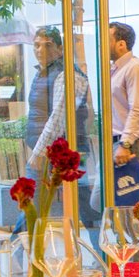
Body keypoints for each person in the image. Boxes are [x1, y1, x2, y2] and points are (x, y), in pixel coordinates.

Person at [23, 26, 99, 228]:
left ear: (60, 48)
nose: (40, 50)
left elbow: (58, 118)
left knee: (33, 207)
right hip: (51, 150)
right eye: (37, 45)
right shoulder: (44, 73)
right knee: (36, 207)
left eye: (47, 45)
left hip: (63, 151)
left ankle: (18, 250)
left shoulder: (66, 75)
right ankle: (23, 251)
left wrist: (39, 152)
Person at [106, 21, 139, 208]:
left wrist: (125, 144)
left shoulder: (135, 68)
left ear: (121, 44)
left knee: (130, 203)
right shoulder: (114, 69)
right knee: (105, 200)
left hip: (130, 144)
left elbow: (137, 109)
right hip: (114, 142)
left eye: (107, 39)